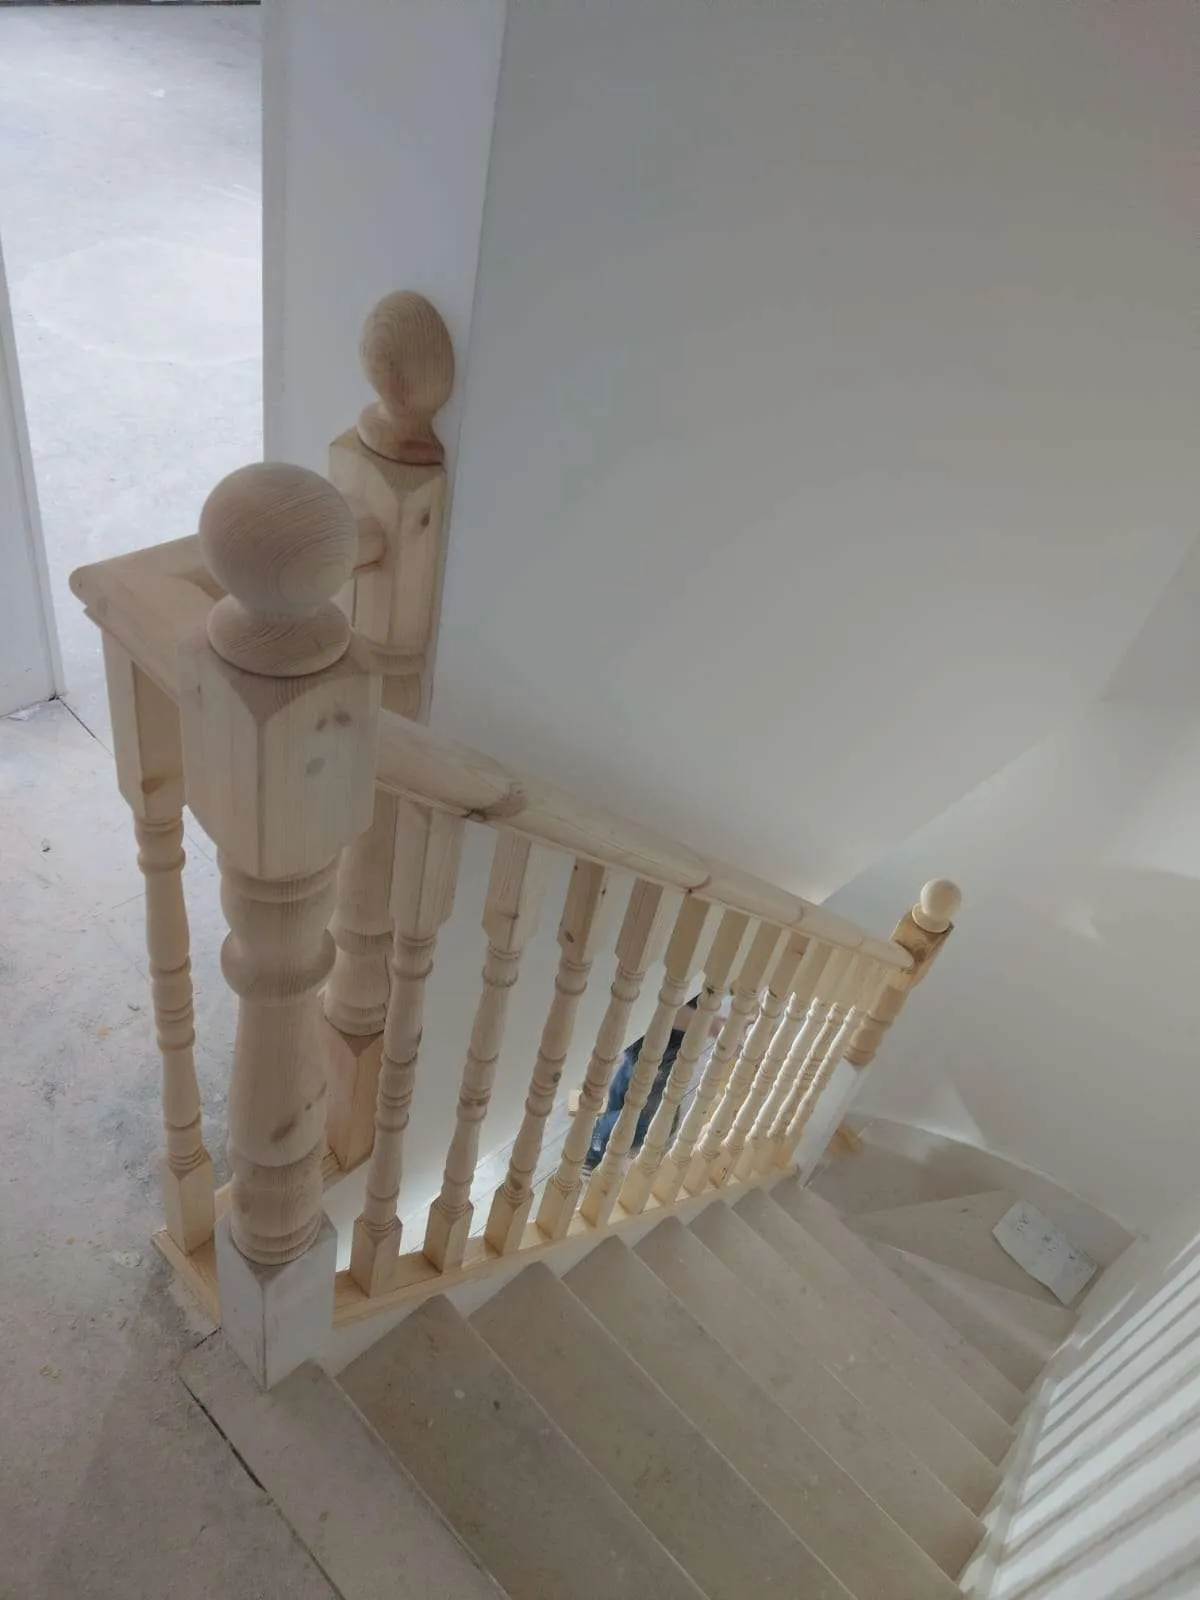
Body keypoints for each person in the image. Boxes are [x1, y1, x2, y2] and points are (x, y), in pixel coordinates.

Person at [584, 995, 726, 1171]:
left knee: (631, 1077)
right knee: (640, 1119)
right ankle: (594, 1150)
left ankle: (610, 1122)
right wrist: (710, 1024)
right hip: (659, 1047)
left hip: (646, 1040)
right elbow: (663, 1009)